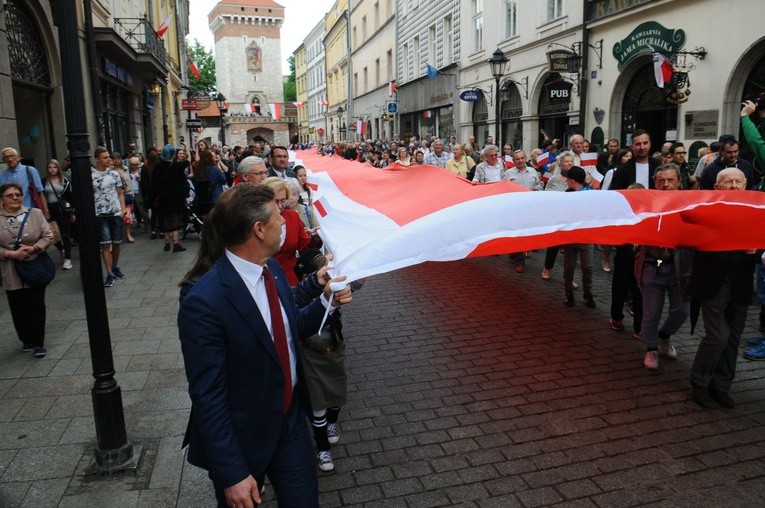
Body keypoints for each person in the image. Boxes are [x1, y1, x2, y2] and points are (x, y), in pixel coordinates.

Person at [178, 183, 352, 508]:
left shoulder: (270, 267)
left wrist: (328, 300)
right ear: (258, 229)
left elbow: (291, 329)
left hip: (289, 422)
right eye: (278, 217)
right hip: (243, 435)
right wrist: (231, 473)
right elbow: (208, 395)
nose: (286, 221)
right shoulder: (205, 302)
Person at [689, 168, 761, 408]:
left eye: (737, 182)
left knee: (733, 339)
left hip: (741, 283)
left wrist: (757, 250)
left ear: (746, 185)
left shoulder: (755, 210)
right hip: (713, 281)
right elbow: (690, 235)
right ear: (717, 187)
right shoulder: (706, 208)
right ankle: (699, 382)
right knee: (718, 336)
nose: (733, 186)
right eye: (727, 182)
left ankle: (721, 386)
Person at [294, 249, 364, 473]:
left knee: (336, 395)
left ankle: (331, 424)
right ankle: (322, 448)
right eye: (319, 270)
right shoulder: (302, 294)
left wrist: (364, 264)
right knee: (316, 403)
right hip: (311, 353)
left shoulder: (335, 283)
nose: (326, 274)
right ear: (306, 276)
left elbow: (356, 281)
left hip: (333, 349)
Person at [635, 164, 692, 370]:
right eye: (661, 181)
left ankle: (664, 336)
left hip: (680, 269)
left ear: (679, 182)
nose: (666, 185)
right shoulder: (646, 204)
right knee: (651, 314)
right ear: (654, 183)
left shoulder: (689, 204)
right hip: (652, 267)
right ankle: (651, 349)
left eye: (670, 180)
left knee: (682, 310)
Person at [608, 130, 657, 338]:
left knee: (643, 281)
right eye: (638, 144)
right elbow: (613, 198)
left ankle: (639, 325)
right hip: (628, 232)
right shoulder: (623, 171)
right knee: (622, 276)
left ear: (650, 144)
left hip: (652, 231)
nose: (642, 147)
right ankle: (616, 315)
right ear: (632, 146)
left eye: (645, 143)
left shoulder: (658, 168)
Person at [0, 182, 54, 358]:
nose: (15, 198)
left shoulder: (35, 214)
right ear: (2, 200)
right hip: (11, 269)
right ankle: (26, 339)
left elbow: (48, 236)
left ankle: (39, 342)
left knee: (36, 305)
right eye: (10, 195)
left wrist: (34, 248)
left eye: (17, 194)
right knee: (18, 306)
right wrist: (10, 253)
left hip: (34, 266)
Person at [262, 177, 311, 286]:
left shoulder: (293, 216)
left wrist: (316, 239)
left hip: (291, 280)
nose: (280, 206)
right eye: (275, 201)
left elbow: (304, 247)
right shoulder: (257, 222)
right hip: (265, 282)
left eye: (283, 200)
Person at [92, 146, 127, 287]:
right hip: (100, 213)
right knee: (105, 243)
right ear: (97, 159)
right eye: (105, 157)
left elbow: (120, 193)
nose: (108, 159)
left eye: (108, 157)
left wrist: (123, 209)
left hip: (115, 211)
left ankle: (115, 266)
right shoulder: (91, 175)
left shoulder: (114, 174)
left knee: (117, 242)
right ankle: (109, 273)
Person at [560, 167, 595, 308]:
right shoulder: (566, 195)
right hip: (570, 237)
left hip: (586, 237)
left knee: (588, 267)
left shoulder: (590, 195)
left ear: (573, 181)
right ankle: (568, 293)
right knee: (569, 267)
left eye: (567, 179)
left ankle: (588, 293)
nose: (566, 181)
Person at [541, 151, 575, 281]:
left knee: (570, 250)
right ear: (560, 165)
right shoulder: (553, 179)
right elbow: (548, 198)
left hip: (571, 219)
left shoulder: (576, 179)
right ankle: (547, 268)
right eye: (567, 162)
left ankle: (569, 277)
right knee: (553, 246)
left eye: (571, 161)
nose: (570, 163)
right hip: (557, 218)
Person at [152, 144, 189, 253]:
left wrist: (154, 197)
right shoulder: (177, 166)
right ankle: (176, 243)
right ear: (173, 154)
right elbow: (188, 161)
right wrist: (186, 148)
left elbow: (153, 184)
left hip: (162, 197)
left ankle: (167, 243)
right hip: (175, 197)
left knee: (164, 218)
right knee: (175, 219)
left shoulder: (157, 167)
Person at [42, 159, 75, 270]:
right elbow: (41, 196)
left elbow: (70, 196)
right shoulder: (44, 181)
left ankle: (67, 259)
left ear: (58, 168)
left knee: (65, 233)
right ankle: (61, 248)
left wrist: (72, 212)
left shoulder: (65, 181)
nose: (52, 169)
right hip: (50, 209)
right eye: (50, 167)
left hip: (63, 209)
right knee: (52, 234)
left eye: (54, 167)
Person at [0, 147, 50, 217]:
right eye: (6, 157)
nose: (9, 159)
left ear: (17, 158)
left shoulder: (30, 170)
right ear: (4, 160)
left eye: (11, 156)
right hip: (10, 213)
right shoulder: (3, 175)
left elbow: (39, 192)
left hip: (30, 211)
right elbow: (1, 197)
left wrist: (45, 210)